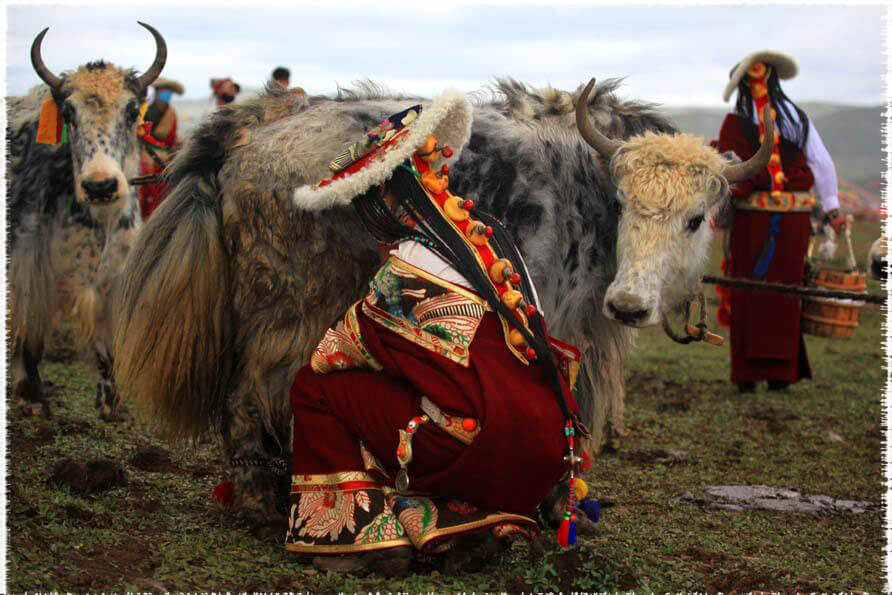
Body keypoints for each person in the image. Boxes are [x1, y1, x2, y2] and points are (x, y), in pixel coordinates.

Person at [285, 90, 593, 572]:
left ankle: (360, 537)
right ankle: (465, 519)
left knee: (314, 389)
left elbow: (333, 354)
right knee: (429, 393)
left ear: (386, 198)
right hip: (548, 452)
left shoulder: (406, 265)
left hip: (481, 446)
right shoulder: (492, 236)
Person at [715, 51, 846, 393]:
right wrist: (831, 208)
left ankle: (752, 377)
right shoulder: (796, 118)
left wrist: (832, 207)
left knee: (765, 293)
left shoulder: (749, 121)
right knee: (772, 295)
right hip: (783, 223)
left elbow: (818, 162)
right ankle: (775, 377)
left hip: (765, 223)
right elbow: (822, 163)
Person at [137, 77, 184, 219]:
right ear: (157, 92)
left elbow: (173, 137)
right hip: (149, 155)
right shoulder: (147, 112)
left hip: (168, 157)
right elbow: (140, 136)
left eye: (169, 92)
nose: (167, 95)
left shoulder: (171, 112)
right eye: (165, 92)